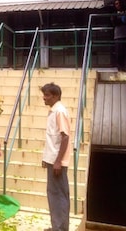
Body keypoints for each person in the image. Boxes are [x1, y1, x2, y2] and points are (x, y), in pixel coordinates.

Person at [41, 83, 71, 231]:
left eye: (47, 95)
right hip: (52, 160)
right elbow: (53, 139)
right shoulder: (54, 111)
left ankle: (59, 228)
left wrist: (58, 161)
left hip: (57, 162)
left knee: (58, 196)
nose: (44, 98)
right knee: (55, 194)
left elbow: (65, 137)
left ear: (55, 96)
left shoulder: (59, 111)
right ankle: (58, 227)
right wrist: (46, 158)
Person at [110, 0, 126, 71]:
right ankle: (120, 67)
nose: (118, 5)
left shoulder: (125, 12)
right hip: (117, 35)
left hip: (125, 34)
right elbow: (114, 22)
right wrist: (121, 20)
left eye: (119, 3)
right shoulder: (114, 13)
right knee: (118, 53)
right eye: (116, 4)